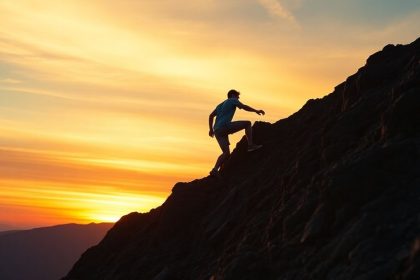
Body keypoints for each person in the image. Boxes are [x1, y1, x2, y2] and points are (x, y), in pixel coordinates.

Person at [209, 89, 265, 177]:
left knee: (226, 153)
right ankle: (250, 145)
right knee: (247, 123)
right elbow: (244, 107)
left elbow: (211, 116)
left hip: (217, 131)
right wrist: (256, 110)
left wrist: (211, 130)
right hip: (224, 126)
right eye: (237, 96)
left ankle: (215, 169)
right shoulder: (232, 100)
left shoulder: (220, 105)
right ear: (232, 95)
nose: (238, 98)